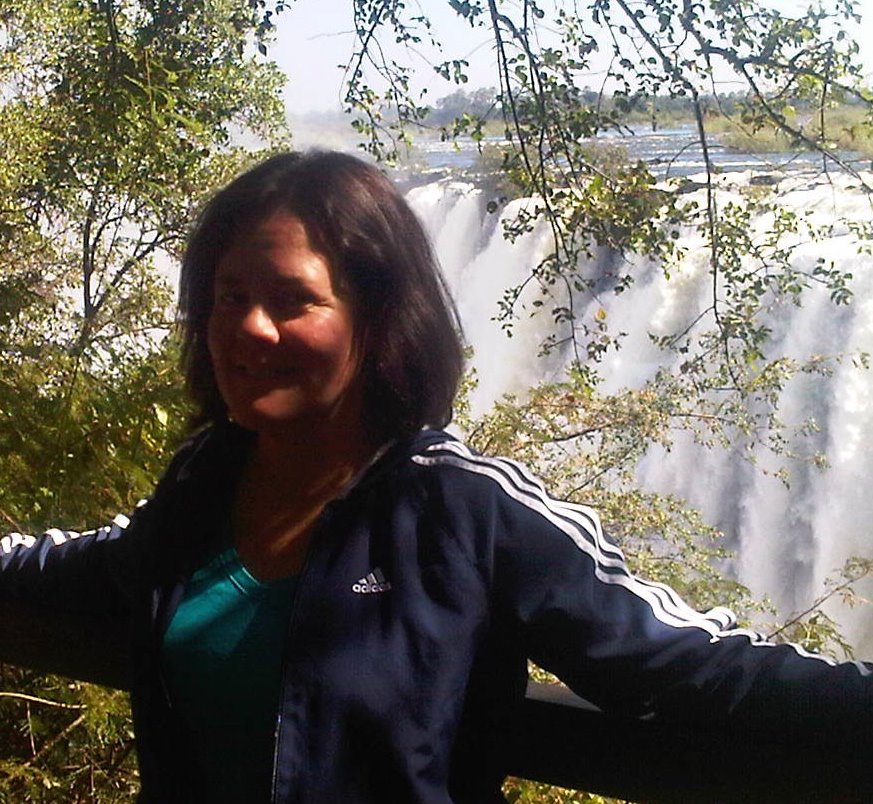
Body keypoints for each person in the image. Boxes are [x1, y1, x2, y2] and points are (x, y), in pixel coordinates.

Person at [1, 150, 871, 803]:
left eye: (292, 299)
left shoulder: (462, 510)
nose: (250, 328)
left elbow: (682, 663)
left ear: (378, 319)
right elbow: (94, 567)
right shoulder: (201, 483)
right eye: (230, 296)